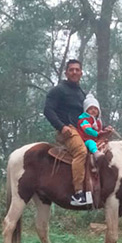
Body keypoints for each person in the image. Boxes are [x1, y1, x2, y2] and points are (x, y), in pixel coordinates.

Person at [43, 59, 91, 206]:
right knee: (81, 152)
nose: (74, 72)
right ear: (66, 72)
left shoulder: (82, 93)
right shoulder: (59, 90)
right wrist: (61, 127)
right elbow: (48, 110)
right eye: (71, 70)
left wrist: (100, 128)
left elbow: (89, 114)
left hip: (82, 130)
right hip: (69, 130)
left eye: (77, 70)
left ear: (81, 73)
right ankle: (78, 194)